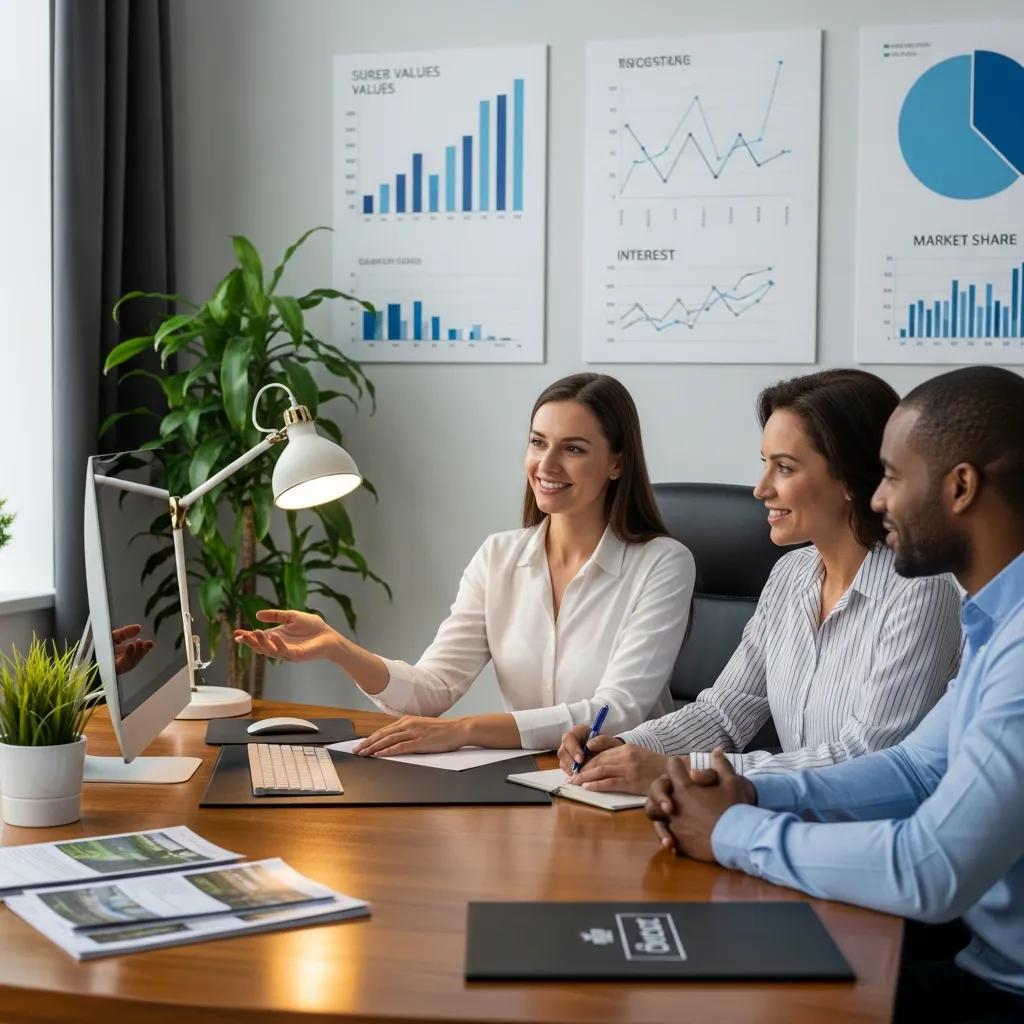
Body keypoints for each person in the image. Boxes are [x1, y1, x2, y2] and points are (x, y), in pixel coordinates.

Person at [646, 366, 1024, 1024]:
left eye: (895, 477)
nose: (879, 501)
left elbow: (928, 869)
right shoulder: (994, 624)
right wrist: (750, 791)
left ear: (961, 487)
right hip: (978, 969)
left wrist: (733, 829)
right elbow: (916, 765)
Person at [234, 373, 695, 754]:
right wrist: (339, 648)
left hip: (625, 787)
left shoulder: (662, 564)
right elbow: (434, 688)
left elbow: (615, 712)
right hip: (527, 779)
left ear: (617, 463)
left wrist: (466, 729)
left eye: (573, 449)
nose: (546, 464)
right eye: (538, 442)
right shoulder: (498, 556)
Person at [558, 369, 962, 794]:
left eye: (784, 468)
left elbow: (866, 757)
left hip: (873, 833)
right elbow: (725, 712)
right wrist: (622, 746)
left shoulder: (920, 590)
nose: (760, 489)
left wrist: (677, 770)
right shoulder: (791, 575)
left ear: (849, 479)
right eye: (764, 464)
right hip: (783, 821)